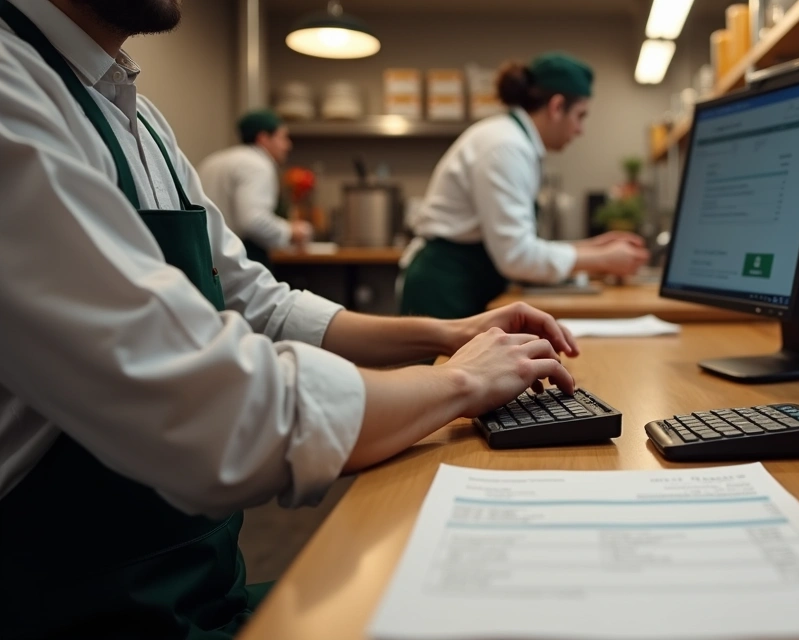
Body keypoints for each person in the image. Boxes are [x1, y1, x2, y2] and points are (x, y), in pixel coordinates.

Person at [0, 1, 579, 637]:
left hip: (201, 583)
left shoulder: (136, 112)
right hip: (79, 608)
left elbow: (258, 301)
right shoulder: (13, 88)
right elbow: (223, 413)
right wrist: (459, 384)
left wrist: (446, 334)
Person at [399, 52, 651, 320]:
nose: (580, 130)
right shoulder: (506, 147)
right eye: (580, 115)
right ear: (556, 107)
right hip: (443, 289)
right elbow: (516, 256)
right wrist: (602, 260)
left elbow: (518, 243)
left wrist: (592, 248)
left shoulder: (514, 140)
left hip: (462, 281)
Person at [199, 108, 312, 267]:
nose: (288, 145)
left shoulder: (214, 160)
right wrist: (290, 231)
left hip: (204, 256)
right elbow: (253, 221)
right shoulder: (258, 164)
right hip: (237, 259)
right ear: (264, 138)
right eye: (283, 138)